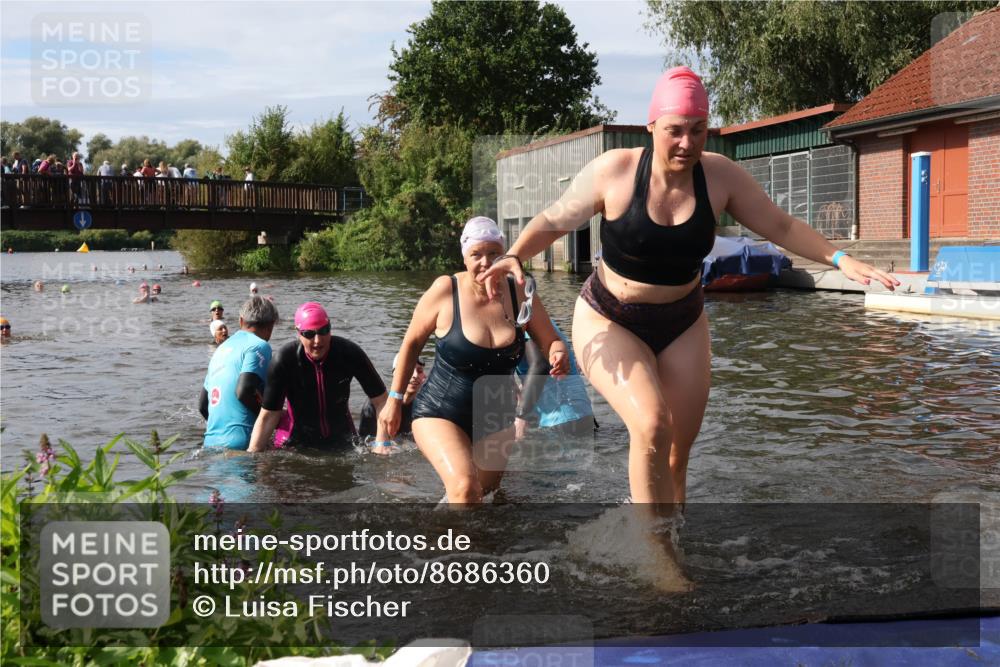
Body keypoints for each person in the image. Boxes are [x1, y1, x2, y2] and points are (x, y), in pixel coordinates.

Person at [480, 67, 899, 508]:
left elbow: (780, 224)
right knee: (652, 425)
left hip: (682, 322)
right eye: (675, 131)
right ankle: (653, 552)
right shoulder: (616, 171)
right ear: (652, 128)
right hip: (610, 317)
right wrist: (515, 256)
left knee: (678, 455)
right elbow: (553, 219)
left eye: (698, 130)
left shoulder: (720, 177)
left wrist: (840, 258)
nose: (687, 143)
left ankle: (670, 535)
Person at [379, 216, 569, 504]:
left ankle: (464, 545)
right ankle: (439, 549)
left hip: (496, 418)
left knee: (485, 500)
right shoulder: (446, 290)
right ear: (464, 257)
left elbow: (550, 340)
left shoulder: (519, 291)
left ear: (505, 255)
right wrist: (393, 400)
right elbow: (411, 344)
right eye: (476, 255)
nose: (485, 262)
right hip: (440, 412)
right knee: (465, 490)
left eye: (494, 253)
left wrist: (558, 352)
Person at [247, 302, 391, 452]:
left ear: (330, 328)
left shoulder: (349, 353)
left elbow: (382, 401)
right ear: (298, 333)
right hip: (294, 444)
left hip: (343, 440)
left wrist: (382, 442)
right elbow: (268, 416)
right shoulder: (284, 360)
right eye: (309, 334)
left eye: (323, 331)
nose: (318, 340)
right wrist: (254, 457)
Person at [199, 296, 279, 450]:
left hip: (210, 444)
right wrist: (269, 419)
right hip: (243, 444)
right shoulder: (260, 346)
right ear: (271, 326)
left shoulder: (220, 349)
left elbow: (203, 405)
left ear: (241, 321)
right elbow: (244, 390)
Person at [514, 318, 596, 440]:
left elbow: (540, 366)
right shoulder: (544, 325)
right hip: (581, 415)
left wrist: (520, 416)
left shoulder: (527, 323)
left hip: (561, 420)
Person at [358, 355, 426, 439]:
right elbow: (364, 443)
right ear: (395, 374)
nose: (415, 375)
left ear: (424, 377)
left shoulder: (425, 407)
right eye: (410, 370)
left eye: (419, 371)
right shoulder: (374, 405)